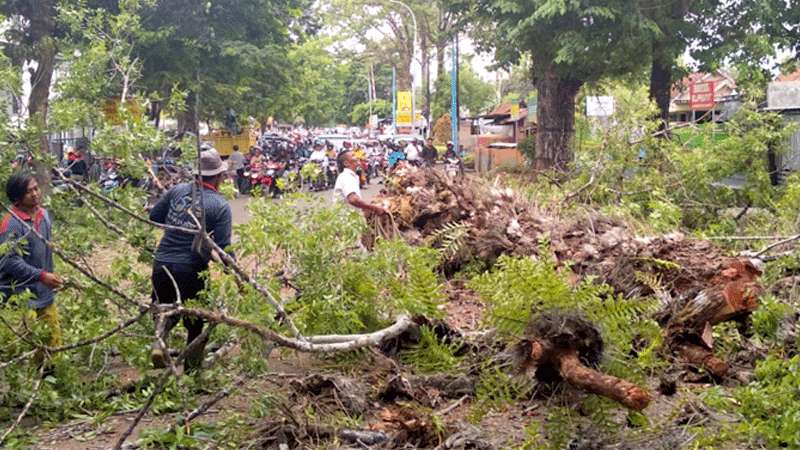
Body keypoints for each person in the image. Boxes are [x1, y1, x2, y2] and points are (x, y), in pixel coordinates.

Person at [149, 149, 232, 372]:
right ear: (218, 177)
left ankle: (160, 341)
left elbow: (154, 216)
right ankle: (193, 372)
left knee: (164, 308)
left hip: (162, 262)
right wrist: (233, 270)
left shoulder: (176, 191)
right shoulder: (220, 206)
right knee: (196, 321)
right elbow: (224, 248)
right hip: (191, 269)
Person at [0, 172, 64, 360]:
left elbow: (47, 248)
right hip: (20, 295)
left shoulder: (44, 215)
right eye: (29, 192)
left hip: (44, 291)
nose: (35, 194)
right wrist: (42, 275)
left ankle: (50, 374)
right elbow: (9, 261)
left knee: (53, 341)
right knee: (26, 345)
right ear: (18, 198)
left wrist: (49, 276)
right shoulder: (11, 224)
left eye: (36, 188)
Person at [333, 150, 387, 215]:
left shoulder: (352, 176)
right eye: (353, 155)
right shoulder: (346, 176)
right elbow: (353, 199)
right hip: (345, 218)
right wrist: (374, 208)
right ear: (346, 163)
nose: (357, 157)